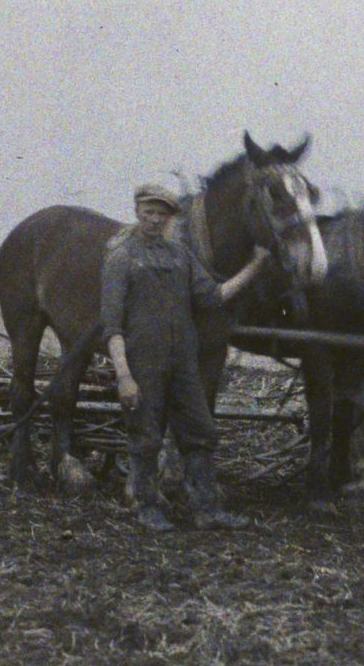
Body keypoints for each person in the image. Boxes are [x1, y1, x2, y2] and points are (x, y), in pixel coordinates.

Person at [98, 181, 270, 531]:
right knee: (145, 436)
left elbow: (213, 296)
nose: (155, 220)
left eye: (162, 214)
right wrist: (124, 376)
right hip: (143, 364)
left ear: (170, 218)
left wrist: (254, 267)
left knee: (200, 431)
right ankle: (147, 508)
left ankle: (206, 509)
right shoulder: (122, 257)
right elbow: (112, 326)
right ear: (137, 212)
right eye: (149, 212)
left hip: (183, 363)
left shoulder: (179, 255)